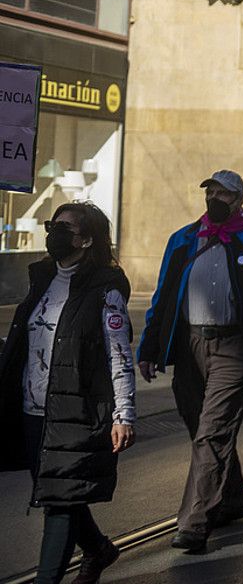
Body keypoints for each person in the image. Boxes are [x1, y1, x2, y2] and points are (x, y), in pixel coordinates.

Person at [137, 170, 243, 553]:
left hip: (233, 348)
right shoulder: (184, 239)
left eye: (224, 194)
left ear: (240, 199)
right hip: (189, 348)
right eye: (211, 192)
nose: (215, 198)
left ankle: (194, 523)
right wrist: (150, 348)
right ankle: (233, 498)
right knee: (201, 428)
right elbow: (163, 296)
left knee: (212, 433)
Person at [0, 203, 134, 584]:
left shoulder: (105, 291)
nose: (53, 233)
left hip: (77, 410)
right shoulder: (41, 279)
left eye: (64, 228)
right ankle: (98, 550)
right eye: (51, 226)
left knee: (58, 501)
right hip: (33, 408)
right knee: (61, 491)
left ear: (87, 239)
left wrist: (124, 414)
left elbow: (119, 354)